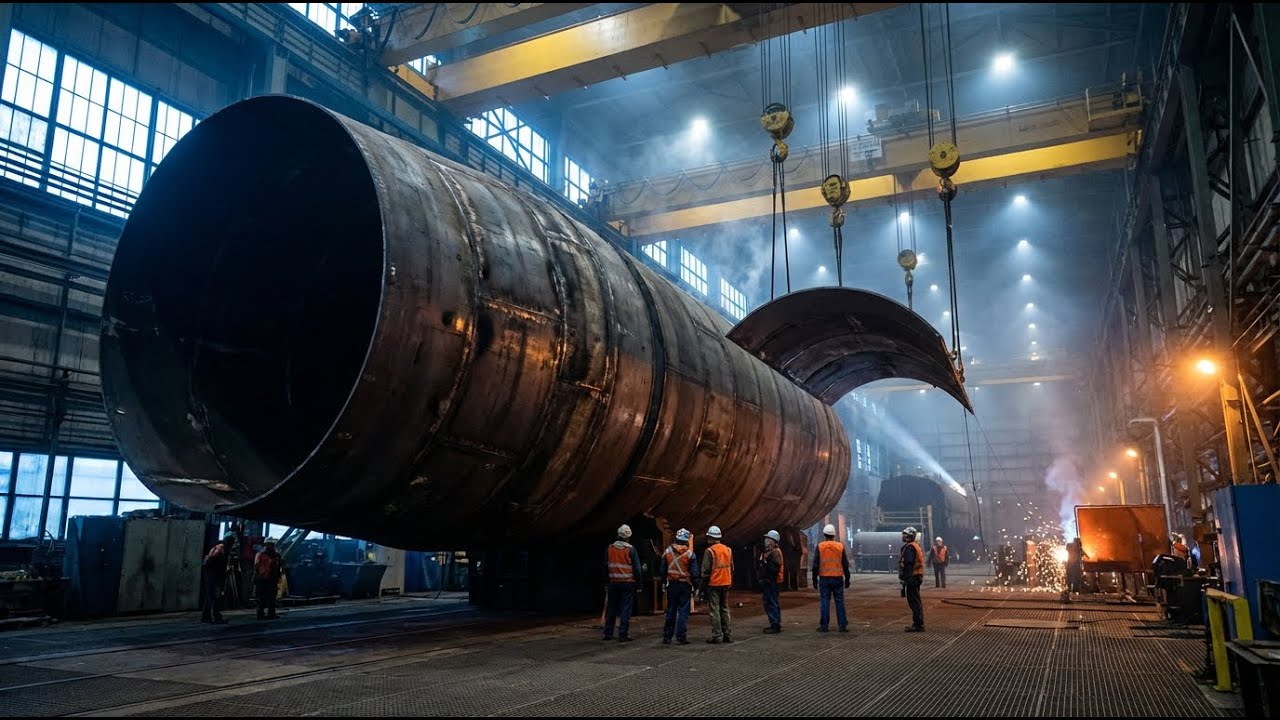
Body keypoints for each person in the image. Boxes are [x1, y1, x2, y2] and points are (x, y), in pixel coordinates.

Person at [603, 524, 642, 642]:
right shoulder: (631, 549)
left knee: (611, 608)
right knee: (625, 609)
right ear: (628, 537)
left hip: (613, 582)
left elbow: (605, 566)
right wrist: (639, 583)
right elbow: (637, 569)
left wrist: (606, 581)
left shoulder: (610, 548)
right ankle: (623, 634)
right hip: (627, 583)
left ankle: (608, 633)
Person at [659, 528, 699, 645]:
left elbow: (662, 570)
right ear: (686, 540)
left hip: (672, 585)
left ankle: (667, 637)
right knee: (683, 612)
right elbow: (695, 573)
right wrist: (696, 587)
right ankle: (681, 637)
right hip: (684, 585)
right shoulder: (690, 554)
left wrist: (663, 583)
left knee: (671, 610)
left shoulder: (667, 552)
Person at [811, 523, 850, 632]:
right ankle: (842, 626)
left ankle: (824, 626)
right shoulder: (840, 546)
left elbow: (815, 565)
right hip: (837, 578)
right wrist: (847, 578)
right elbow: (845, 564)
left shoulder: (820, 546)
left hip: (824, 578)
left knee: (824, 601)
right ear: (834, 535)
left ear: (824, 534)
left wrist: (814, 579)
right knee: (839, 602)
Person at [700, 525, 734, 643]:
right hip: (726, 583)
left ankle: (717, 635)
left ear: (710, 538)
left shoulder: (709, 551)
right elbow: (732, 567)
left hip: (714, 584)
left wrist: (701, 588)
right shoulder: (728, 550)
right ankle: (728, 634)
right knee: (724, 608)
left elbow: (705, 572)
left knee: (714, 610)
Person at [201, 533, 235, 624]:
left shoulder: (218, 548)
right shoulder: (221, 549)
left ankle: (207, 617)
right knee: (215, 597)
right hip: (214, 578)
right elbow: (211, 561)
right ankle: (215, 617)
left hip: (213, 577)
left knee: (211, 597)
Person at [758, 530, 784, 634]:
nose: (765, 541)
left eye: (767, 539)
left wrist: (765, 563)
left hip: (771, 582)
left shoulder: (775, 552)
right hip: (768, 581)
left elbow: (774, 568)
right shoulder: (769, 552)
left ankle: (775, 625)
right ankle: (775, 623)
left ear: (772, 541)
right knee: (770, 602)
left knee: (771, 602)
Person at [899, 526, 925, 631]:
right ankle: (918, 623)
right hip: (916, 576)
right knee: (916, 600)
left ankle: (918, 624)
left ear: (909, 536)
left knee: (914, 601)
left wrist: (906, 579)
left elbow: (908, 564)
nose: (903, 536)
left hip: (912, 577)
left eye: (905, 534)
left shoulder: (910, 547)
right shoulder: (914, 546)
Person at [254, 539, 283, 620]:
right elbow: (280, 566)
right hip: (267, 579)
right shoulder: (276, 555)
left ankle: (263, 614)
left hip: (265, 578)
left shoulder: (260, 554)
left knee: (265, 597)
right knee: (268, 597)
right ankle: (268, 614)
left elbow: (256, 566)